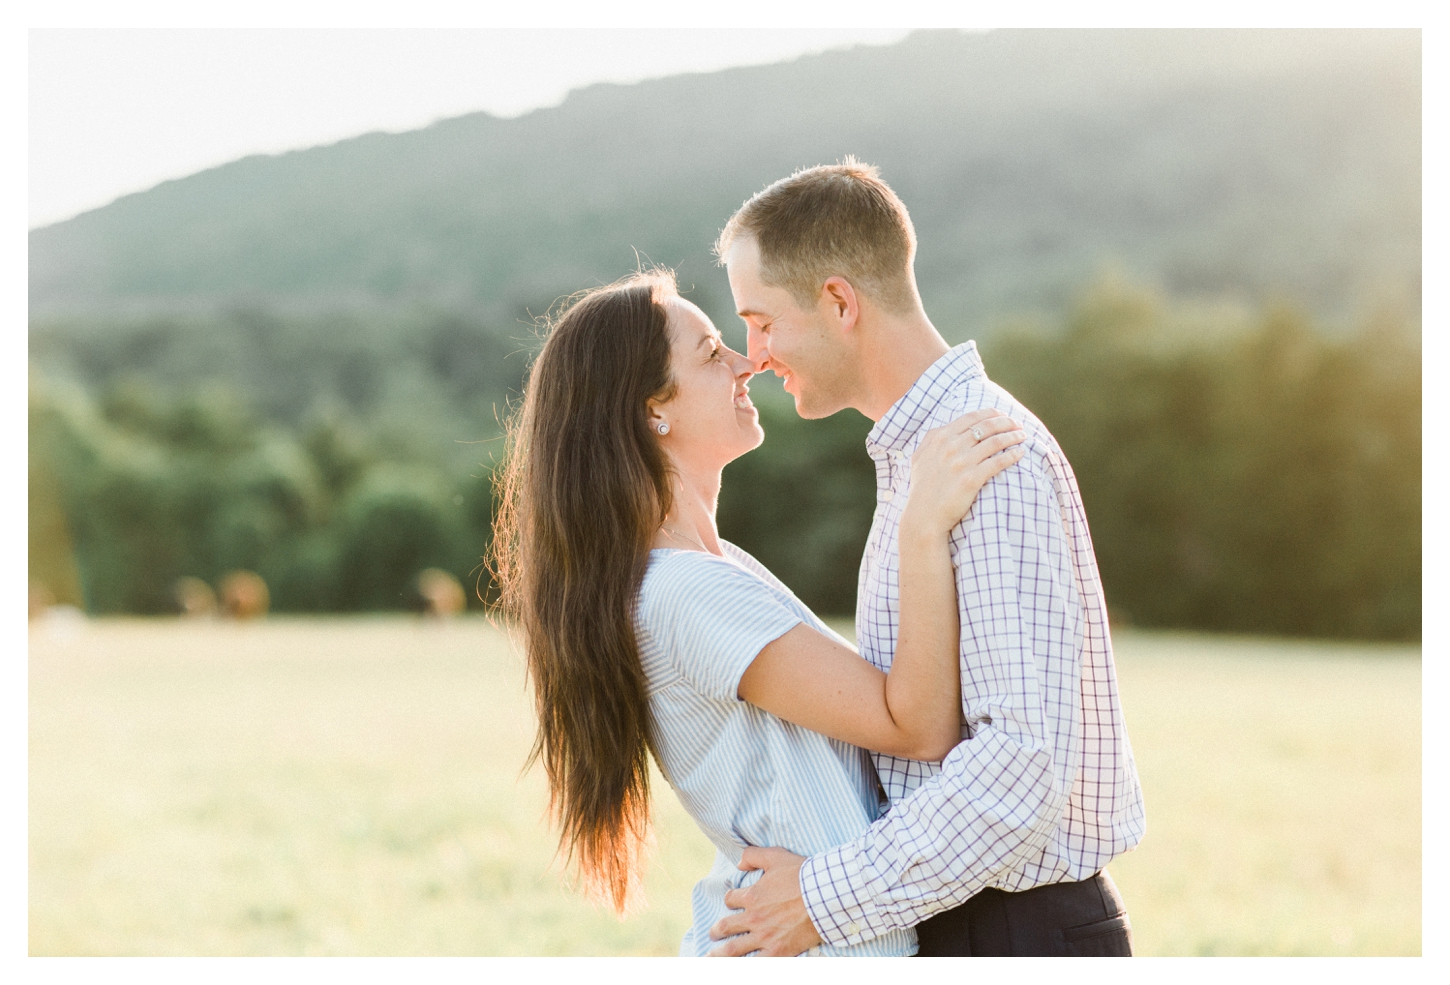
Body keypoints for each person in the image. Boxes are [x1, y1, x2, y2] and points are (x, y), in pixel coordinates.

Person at [490, 269, 1027, 956]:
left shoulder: (714, 568)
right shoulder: (688, 592)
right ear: (654, 409)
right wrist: (922, 525)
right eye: (714, 353)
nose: (750, 363)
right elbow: (916, 725)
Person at [707, 160, 1146, 957]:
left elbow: (1020, 766)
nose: (754, 353)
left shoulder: (988, 455)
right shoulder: (923, 458)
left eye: (761, 320)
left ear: (839, 301)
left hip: (1017, 933)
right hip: (967, 921)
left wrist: (821, 896)